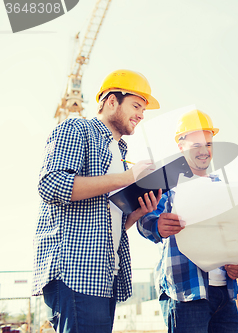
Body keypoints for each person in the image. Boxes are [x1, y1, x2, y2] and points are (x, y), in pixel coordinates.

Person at [33, 69, 162, 333]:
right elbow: (51, 184)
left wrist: (135, 214)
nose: (140, 115)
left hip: (104, 275)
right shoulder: (76, 128)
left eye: (143, 110)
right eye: (136, 105)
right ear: (111, 101)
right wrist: (126, 177)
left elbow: (103, 225)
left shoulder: (120, 151)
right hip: (75, 271)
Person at [137, 109, 238, 333]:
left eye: (208, 144)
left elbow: (236, 234)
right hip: (185, 292)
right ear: (180, 147)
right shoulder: (166, 182)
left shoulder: (223, 188)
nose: (204, 150)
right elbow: (144, 220)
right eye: (196, 145)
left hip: (224, 294)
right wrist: (156, 225)